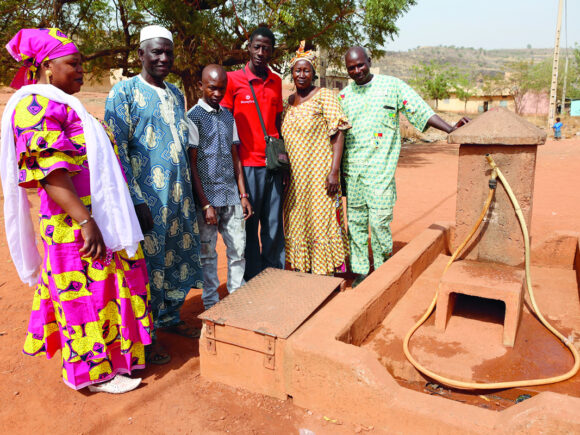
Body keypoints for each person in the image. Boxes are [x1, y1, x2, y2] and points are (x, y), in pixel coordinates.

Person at [1, 28, 153, 393]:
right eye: (74, 63)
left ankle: (116, 363)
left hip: (98, 219)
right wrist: (86, 222)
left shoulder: (68, 104)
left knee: (106, 291)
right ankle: (91, 374)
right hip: (75, 225)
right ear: (47, 67)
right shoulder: (35, 106)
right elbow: (49, 170)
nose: (81, 70)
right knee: (84, 300)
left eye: (82, 63)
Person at [105, 25, 203, 364]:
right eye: (157, 52)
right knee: (149, 268)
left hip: (179, 198)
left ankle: (170, 319)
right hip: (148, 201)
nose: (164, 58)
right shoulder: (124, 92)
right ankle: (146, 337)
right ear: (141, 55)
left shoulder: (175, 93)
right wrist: (136, 200)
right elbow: (117, 149)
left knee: (176, 260)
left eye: (169, 53)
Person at [339, 47, 469, 287]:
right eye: (351, 68)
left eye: (360, 65)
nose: (357, 71)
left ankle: (382, 269)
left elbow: (420, 110)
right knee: (355, 224)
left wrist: (451, 128)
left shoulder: (393, 87)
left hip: (381, 172)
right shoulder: (344, 97)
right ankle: (360, 272)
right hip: (353, 172)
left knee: (379, 222)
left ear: (369, 61)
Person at [221, 26, 285, 281]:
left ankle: (273, 276)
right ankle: (252, 277)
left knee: (273, 225)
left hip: (272, 165)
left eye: (266, 48)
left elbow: (278, 124)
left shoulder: (276, 82)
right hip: (246, 166)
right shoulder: (232, 80)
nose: (261, 52)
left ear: (272, 51)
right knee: (248, 225)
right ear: (248, 47)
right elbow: (225, 125)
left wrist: (283, 162)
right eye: (256, 46)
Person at [187, 65, 253, 309]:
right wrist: (205, 203)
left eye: (221, 89)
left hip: (231, 195)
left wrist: (243, 194)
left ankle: (236, 297)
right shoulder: (193, 117)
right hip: (208, 200)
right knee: (208, 255)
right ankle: (211, 303)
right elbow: (192, 165)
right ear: (202, 86)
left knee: (238, 249)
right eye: (212, 88)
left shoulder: (227, 115)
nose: (217, 93)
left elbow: (236, 156)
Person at [281, 44, 351, 274]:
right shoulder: (288, 103)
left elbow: (338, 132)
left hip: (321, 175)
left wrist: (334, 171)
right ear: (292, 73)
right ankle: (303, 268)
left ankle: (325, 272)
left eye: (306, 70)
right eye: (297, 70)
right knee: (299, 221)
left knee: (322, 222)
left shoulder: (324, 97)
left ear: (313, 73)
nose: (301, 75)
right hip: (296, 180)